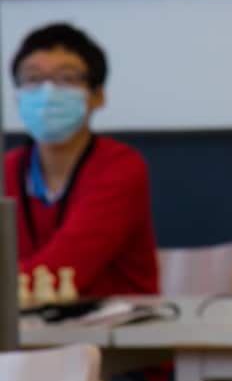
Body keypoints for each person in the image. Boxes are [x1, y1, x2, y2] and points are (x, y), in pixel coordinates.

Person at [4, 22, 159, 297]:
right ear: (17, 97)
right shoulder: (8, 169)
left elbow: (68, 267)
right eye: (33, 78)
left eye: (67, 78)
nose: (48, 92)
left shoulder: (120, 166)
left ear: (97, 96)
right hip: (23, 332)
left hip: (119, 335)